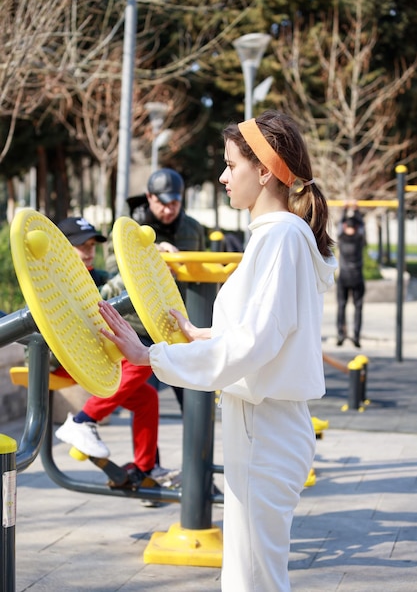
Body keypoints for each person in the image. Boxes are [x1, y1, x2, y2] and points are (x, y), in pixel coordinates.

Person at [98, 110, 338, 592]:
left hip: (264, 429)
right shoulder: (282, 236)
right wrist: (199, 333)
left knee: (253, 580)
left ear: (265, 171)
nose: (223, 176)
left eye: (232, 165)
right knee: (253, 574)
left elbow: (256, 342)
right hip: (266, 427)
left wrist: (152, 358)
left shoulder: (281, 237)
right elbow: (265, 330)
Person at [54, 217, 166, 491]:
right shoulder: (56, 278)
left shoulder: (96, 275)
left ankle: (145, 467)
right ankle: (82, 422)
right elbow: (92, 308)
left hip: (88, 354)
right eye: (82, 245)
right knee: (141, 362)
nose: (89, 250)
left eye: (92, 244)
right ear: (64, 248)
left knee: (147, 397)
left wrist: (152, 263)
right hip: (59, 357)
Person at [106, 167, 206, 412]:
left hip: (178, 326)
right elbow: (112, 268)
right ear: (149, 196)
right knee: (146, 402)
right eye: (163, 202)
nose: (169, 209)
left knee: (195, 401)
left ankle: (195, 450)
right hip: (139, 327)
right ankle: (149, 454)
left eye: (175, 202)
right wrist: (150, 256)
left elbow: (201, 273)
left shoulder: (193, 229)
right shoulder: (129, 229)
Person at [336, 203, 366, 348]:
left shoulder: (341, 238)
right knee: (358, 307)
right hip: (357, 277)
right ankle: (356, 335)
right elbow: (361, 226)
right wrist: (356, 211)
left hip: (344, 277)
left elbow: (340, 224)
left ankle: (341, 334)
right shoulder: (359, 238)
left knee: (342, 306)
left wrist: (344, 210)